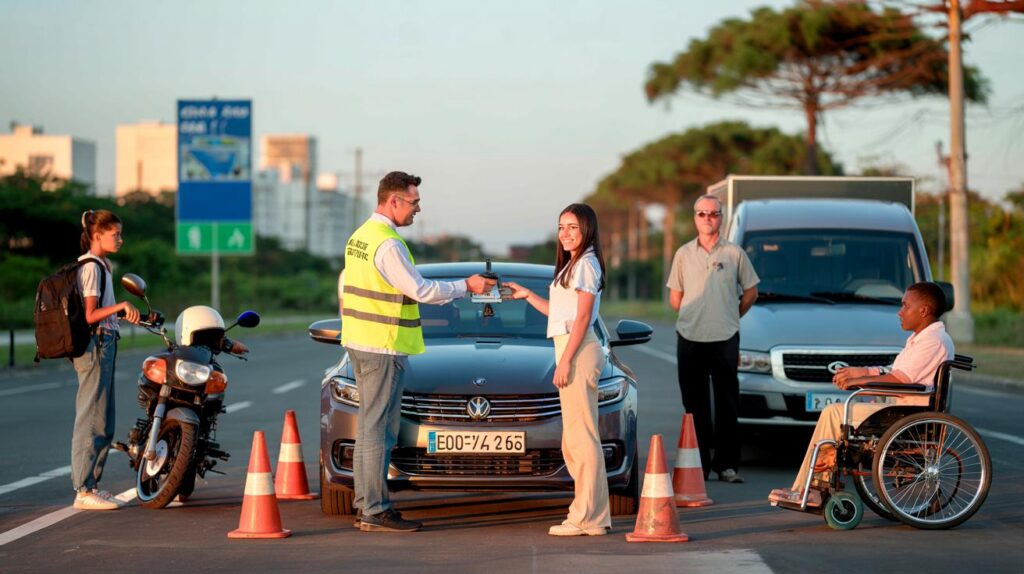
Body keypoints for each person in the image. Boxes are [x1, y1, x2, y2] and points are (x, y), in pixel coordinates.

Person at [339, 171, 495, 532]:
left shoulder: (359, 237)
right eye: (414, 202)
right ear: (392, 200)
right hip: (383, 345)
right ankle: (376, 510)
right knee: (379, 431)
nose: (418, 209)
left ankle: (365, 504)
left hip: (360, 341)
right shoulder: (388, 244)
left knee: (367, 428)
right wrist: (466, 286)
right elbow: (420, 290)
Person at [769, 282, 954, 506]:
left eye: (905, 306)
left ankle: (813, 489)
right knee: (835, 415)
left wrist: (858, 382)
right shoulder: (923, 338)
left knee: (834, 413)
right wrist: (862, 371)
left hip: (905, 414)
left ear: (923, 311)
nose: (900, 312)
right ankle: (812, 487)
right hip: (902, 409)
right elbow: (896, 372)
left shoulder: (932, 341)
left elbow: (900, 379)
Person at [506, 203, 611, 537]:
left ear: (588, 230)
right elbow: (560, 314)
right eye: (561, 227)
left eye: (573, 227)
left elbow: (582, 318)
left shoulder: (586, 264)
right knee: (576, 439)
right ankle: (592, 517)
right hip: (571, 346)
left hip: (578, 350)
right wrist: (526, 296)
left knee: (582, 439)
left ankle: (586, 518)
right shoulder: (575, 265)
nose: (565, 233)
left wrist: (565, 360)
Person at [668, 194, 759, 483]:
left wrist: (732, 314)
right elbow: (675, 299)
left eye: (713, 214)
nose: (708, 218)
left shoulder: (734, 253)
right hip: (690, 337)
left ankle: (727, 465)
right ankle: (700, 465)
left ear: (721, 218)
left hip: (725, 337)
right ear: (694, 218)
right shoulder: (683, 254)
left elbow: (751, 292)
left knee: (727, 404)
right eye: (702, 213)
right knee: (694, 406)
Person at [71, 210, 141, 510]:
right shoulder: (91, 267)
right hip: (95, 346)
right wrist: (122, 305)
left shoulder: (104, 265)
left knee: (104, 421)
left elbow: (104, 311)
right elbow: (89, 315)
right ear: (97, 235)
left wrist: (124, 314)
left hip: (107, 342)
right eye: (115, 234)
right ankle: (83, 489)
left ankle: (93, 486)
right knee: (90, 419)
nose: (120, 239)